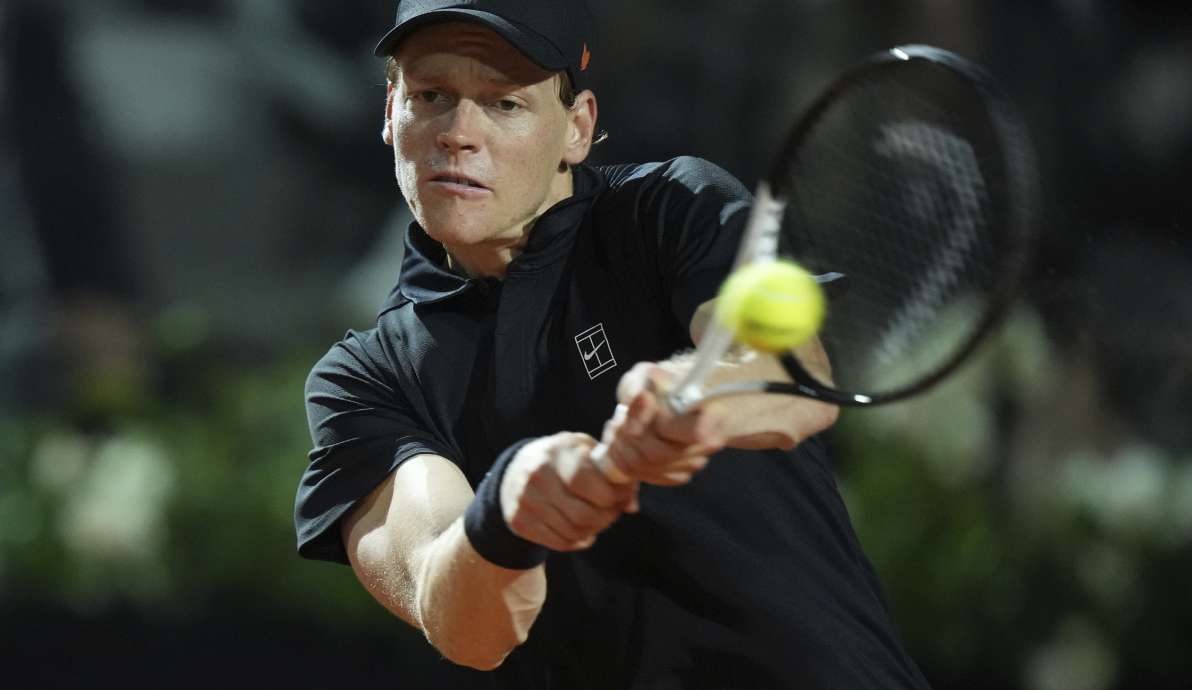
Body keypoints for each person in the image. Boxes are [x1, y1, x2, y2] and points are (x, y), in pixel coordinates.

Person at [295, 1, 931, 687]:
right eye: (431, 95)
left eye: (505, 104)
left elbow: (792, 379)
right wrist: (505, 514)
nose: (458, 133)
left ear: (577, 128)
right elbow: (456, 620)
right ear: (390, 111)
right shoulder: (366, 380)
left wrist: (695, 401)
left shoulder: (669, 209)